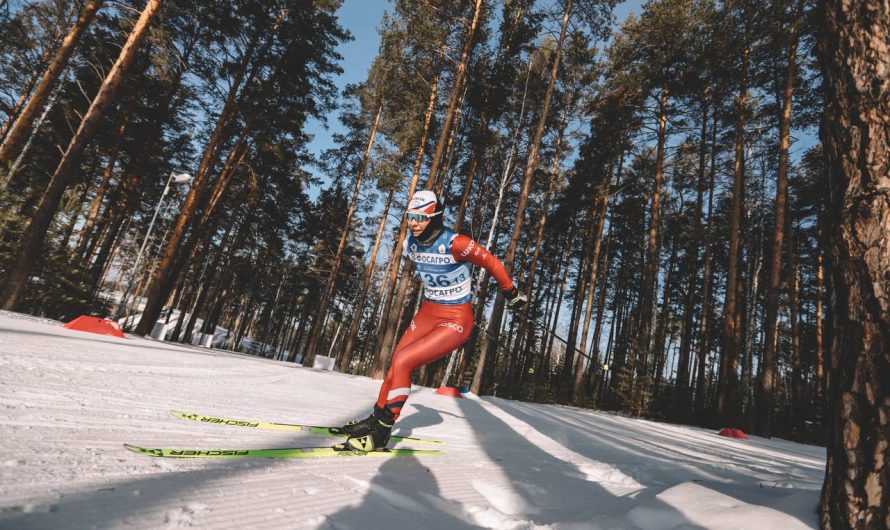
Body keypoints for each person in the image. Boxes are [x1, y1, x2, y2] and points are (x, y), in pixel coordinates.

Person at [337, 189, 526, 451]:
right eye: (410, 216)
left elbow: (492, 262)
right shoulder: (410, 243)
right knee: (395, 366)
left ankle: (381, 433)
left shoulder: (456, 243)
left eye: (421, 218)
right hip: (428, 313)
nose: (413, 223)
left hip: (456, 319)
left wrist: (510, 291)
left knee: (404, 362)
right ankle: (374, 420)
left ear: (435, 217)